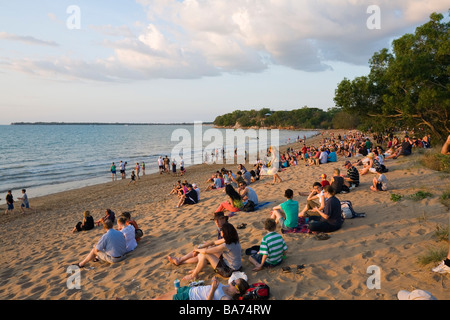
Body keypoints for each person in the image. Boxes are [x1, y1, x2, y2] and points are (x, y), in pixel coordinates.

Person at [153, 276, 250, 300]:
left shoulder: (226, 298)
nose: (231, 282)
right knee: (160, 297)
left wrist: (213, 288)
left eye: (234, 283)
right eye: (233, 281)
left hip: (190, 297)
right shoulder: (227, 287)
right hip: (190, 289)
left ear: (237, 291)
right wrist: (214, 280)